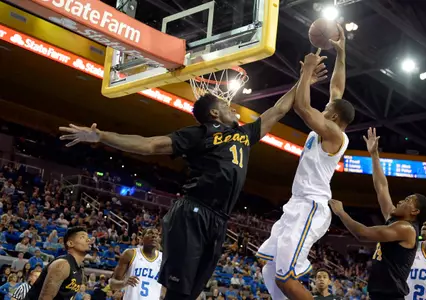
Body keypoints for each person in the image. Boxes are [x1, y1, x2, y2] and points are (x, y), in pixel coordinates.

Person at [58, 63, 326, 300]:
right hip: (193, 212)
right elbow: (151, 145)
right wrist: (102, 136)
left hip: (219, 219)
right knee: (178, 291)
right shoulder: (200, 134)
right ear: (214, 115)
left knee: (191, 293)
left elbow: (278, 109)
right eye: (225, 107)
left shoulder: (244, 135)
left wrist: (303, 79)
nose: (232, 108)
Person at [257, 26, 354, 300]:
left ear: (334, 119)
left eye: (326, 111)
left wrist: (306, 72)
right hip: (297, 204)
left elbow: (301, 107)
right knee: (268, 267)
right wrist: (342, 53)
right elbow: (337, 88)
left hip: (311, 206)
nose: (322, 110)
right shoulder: (333, 120)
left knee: (285, 277)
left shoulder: (335, 134)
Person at [329, 127, 426, 300]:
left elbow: (363, 234)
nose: (400, 201)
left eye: (407, 200)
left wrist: (341, 213)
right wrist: (374, 154)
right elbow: (382, 187)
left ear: (415, 211)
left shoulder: (406, 229)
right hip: (379, 295)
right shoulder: (395, 220)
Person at [25, 227, 92, 300]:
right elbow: (45, 298)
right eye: (82, 237)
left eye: (88, 237)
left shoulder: (80, 268)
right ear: (70, 243)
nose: (88, 240)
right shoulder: (62, 264)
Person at [110, 228, 164, 300]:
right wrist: (124, 283)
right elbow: (112, 284)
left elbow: (165, 288)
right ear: (141, 238)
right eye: (150, 233)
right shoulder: (130, 254)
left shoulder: (163, 259)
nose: (154, 236)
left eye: (157, 234)